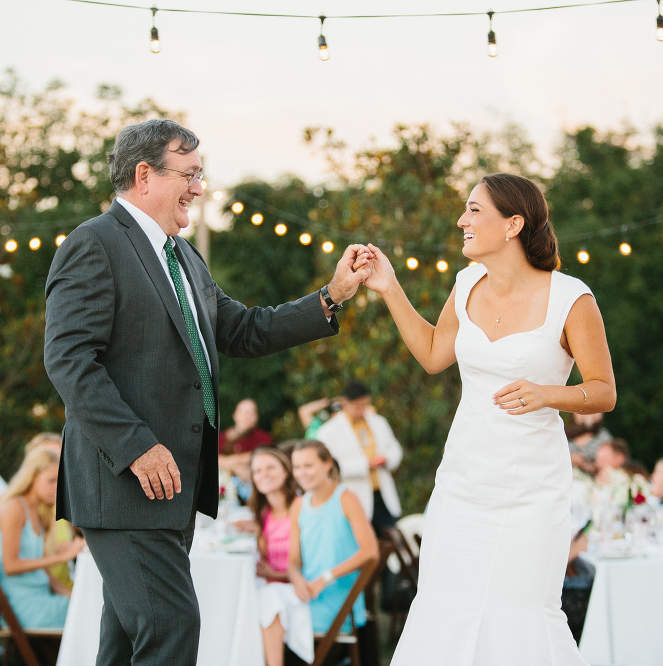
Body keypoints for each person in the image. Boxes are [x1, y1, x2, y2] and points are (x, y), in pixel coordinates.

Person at [43, 118, 373, 665]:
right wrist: (136, 446)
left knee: (126, 643)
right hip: (125, 483)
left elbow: (244, 329)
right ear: (144, 174)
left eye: (202, 174)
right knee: (172, 629)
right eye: (189, 173)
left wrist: (332, 295)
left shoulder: (185, 257)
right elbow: (69, 360)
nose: (199, 187)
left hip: (175, 487)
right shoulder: (93, 244)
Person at [360, 172, 616, 664]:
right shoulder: (467, 282)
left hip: (531, 491)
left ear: (513, 224)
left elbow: (604, 391)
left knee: (517, 614)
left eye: (474, 210)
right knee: (446, 609)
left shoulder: (572, 298)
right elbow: (435, 354)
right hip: (463, 482)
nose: (462, 220)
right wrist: (390, 288)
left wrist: (549, 394)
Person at [288, 441, 379, 638]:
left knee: (272, 620)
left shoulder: (346, 499)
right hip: (307, 594)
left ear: (327, 464)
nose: (302, 472)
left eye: (308, 465)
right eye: (297, 467)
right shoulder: (298, 505)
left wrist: (325, 579)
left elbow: (370, 551)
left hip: (339, 599)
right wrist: (297, 580)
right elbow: (293, 561)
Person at [0, 447, 85, 629]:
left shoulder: (38, 512)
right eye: (51, 481)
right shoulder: (15, 508)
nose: (57, 488)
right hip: (24, 607)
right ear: (32, 477)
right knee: (92, 614)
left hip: (43, 598)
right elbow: (11, 565)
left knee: (88, 607)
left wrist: (73, 596)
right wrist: (61, 557)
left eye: (59, 482)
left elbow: (46, 575)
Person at [248, 447, 313, 666]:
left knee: (267, 601)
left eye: (270, 468)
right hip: (275, 584)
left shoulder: (301, 507)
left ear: (286, 471)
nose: (263, 474)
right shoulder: (264, 512)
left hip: (299, 589)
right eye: (257, 471)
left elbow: (308, 566)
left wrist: (273, 573)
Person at [315, 381, 404, 533]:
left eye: (365, 405)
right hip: (356, 495)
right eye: (357, 406)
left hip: (383, 494)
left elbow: (395, 449)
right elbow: (330, 466)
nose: (361, 410)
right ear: (345, 402)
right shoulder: (327, 432)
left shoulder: (378, 421)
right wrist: (365, 465)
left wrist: (386, 459)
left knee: (394, 539)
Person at [218, 398, 273, 486]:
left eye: (251, 413)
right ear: (234, 415)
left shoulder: (263, 438)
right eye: (243, 412)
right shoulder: (222, 437)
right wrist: (236, 467)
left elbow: (263, 456)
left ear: (257, 416)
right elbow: (212, 458)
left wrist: (230, 461)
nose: (247, 416)